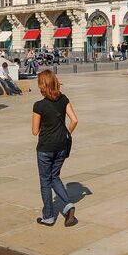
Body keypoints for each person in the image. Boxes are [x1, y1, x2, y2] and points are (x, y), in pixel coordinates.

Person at [31, 69, 78, 227]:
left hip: (45, 148)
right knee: (55, 176)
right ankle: (68, 206)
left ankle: (48, 216)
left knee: (45, 180)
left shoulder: (39, 105)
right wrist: (67, 133)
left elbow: (34, 131)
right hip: (62, 146)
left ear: (43, 86)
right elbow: (74, 120)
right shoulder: (63, 99)